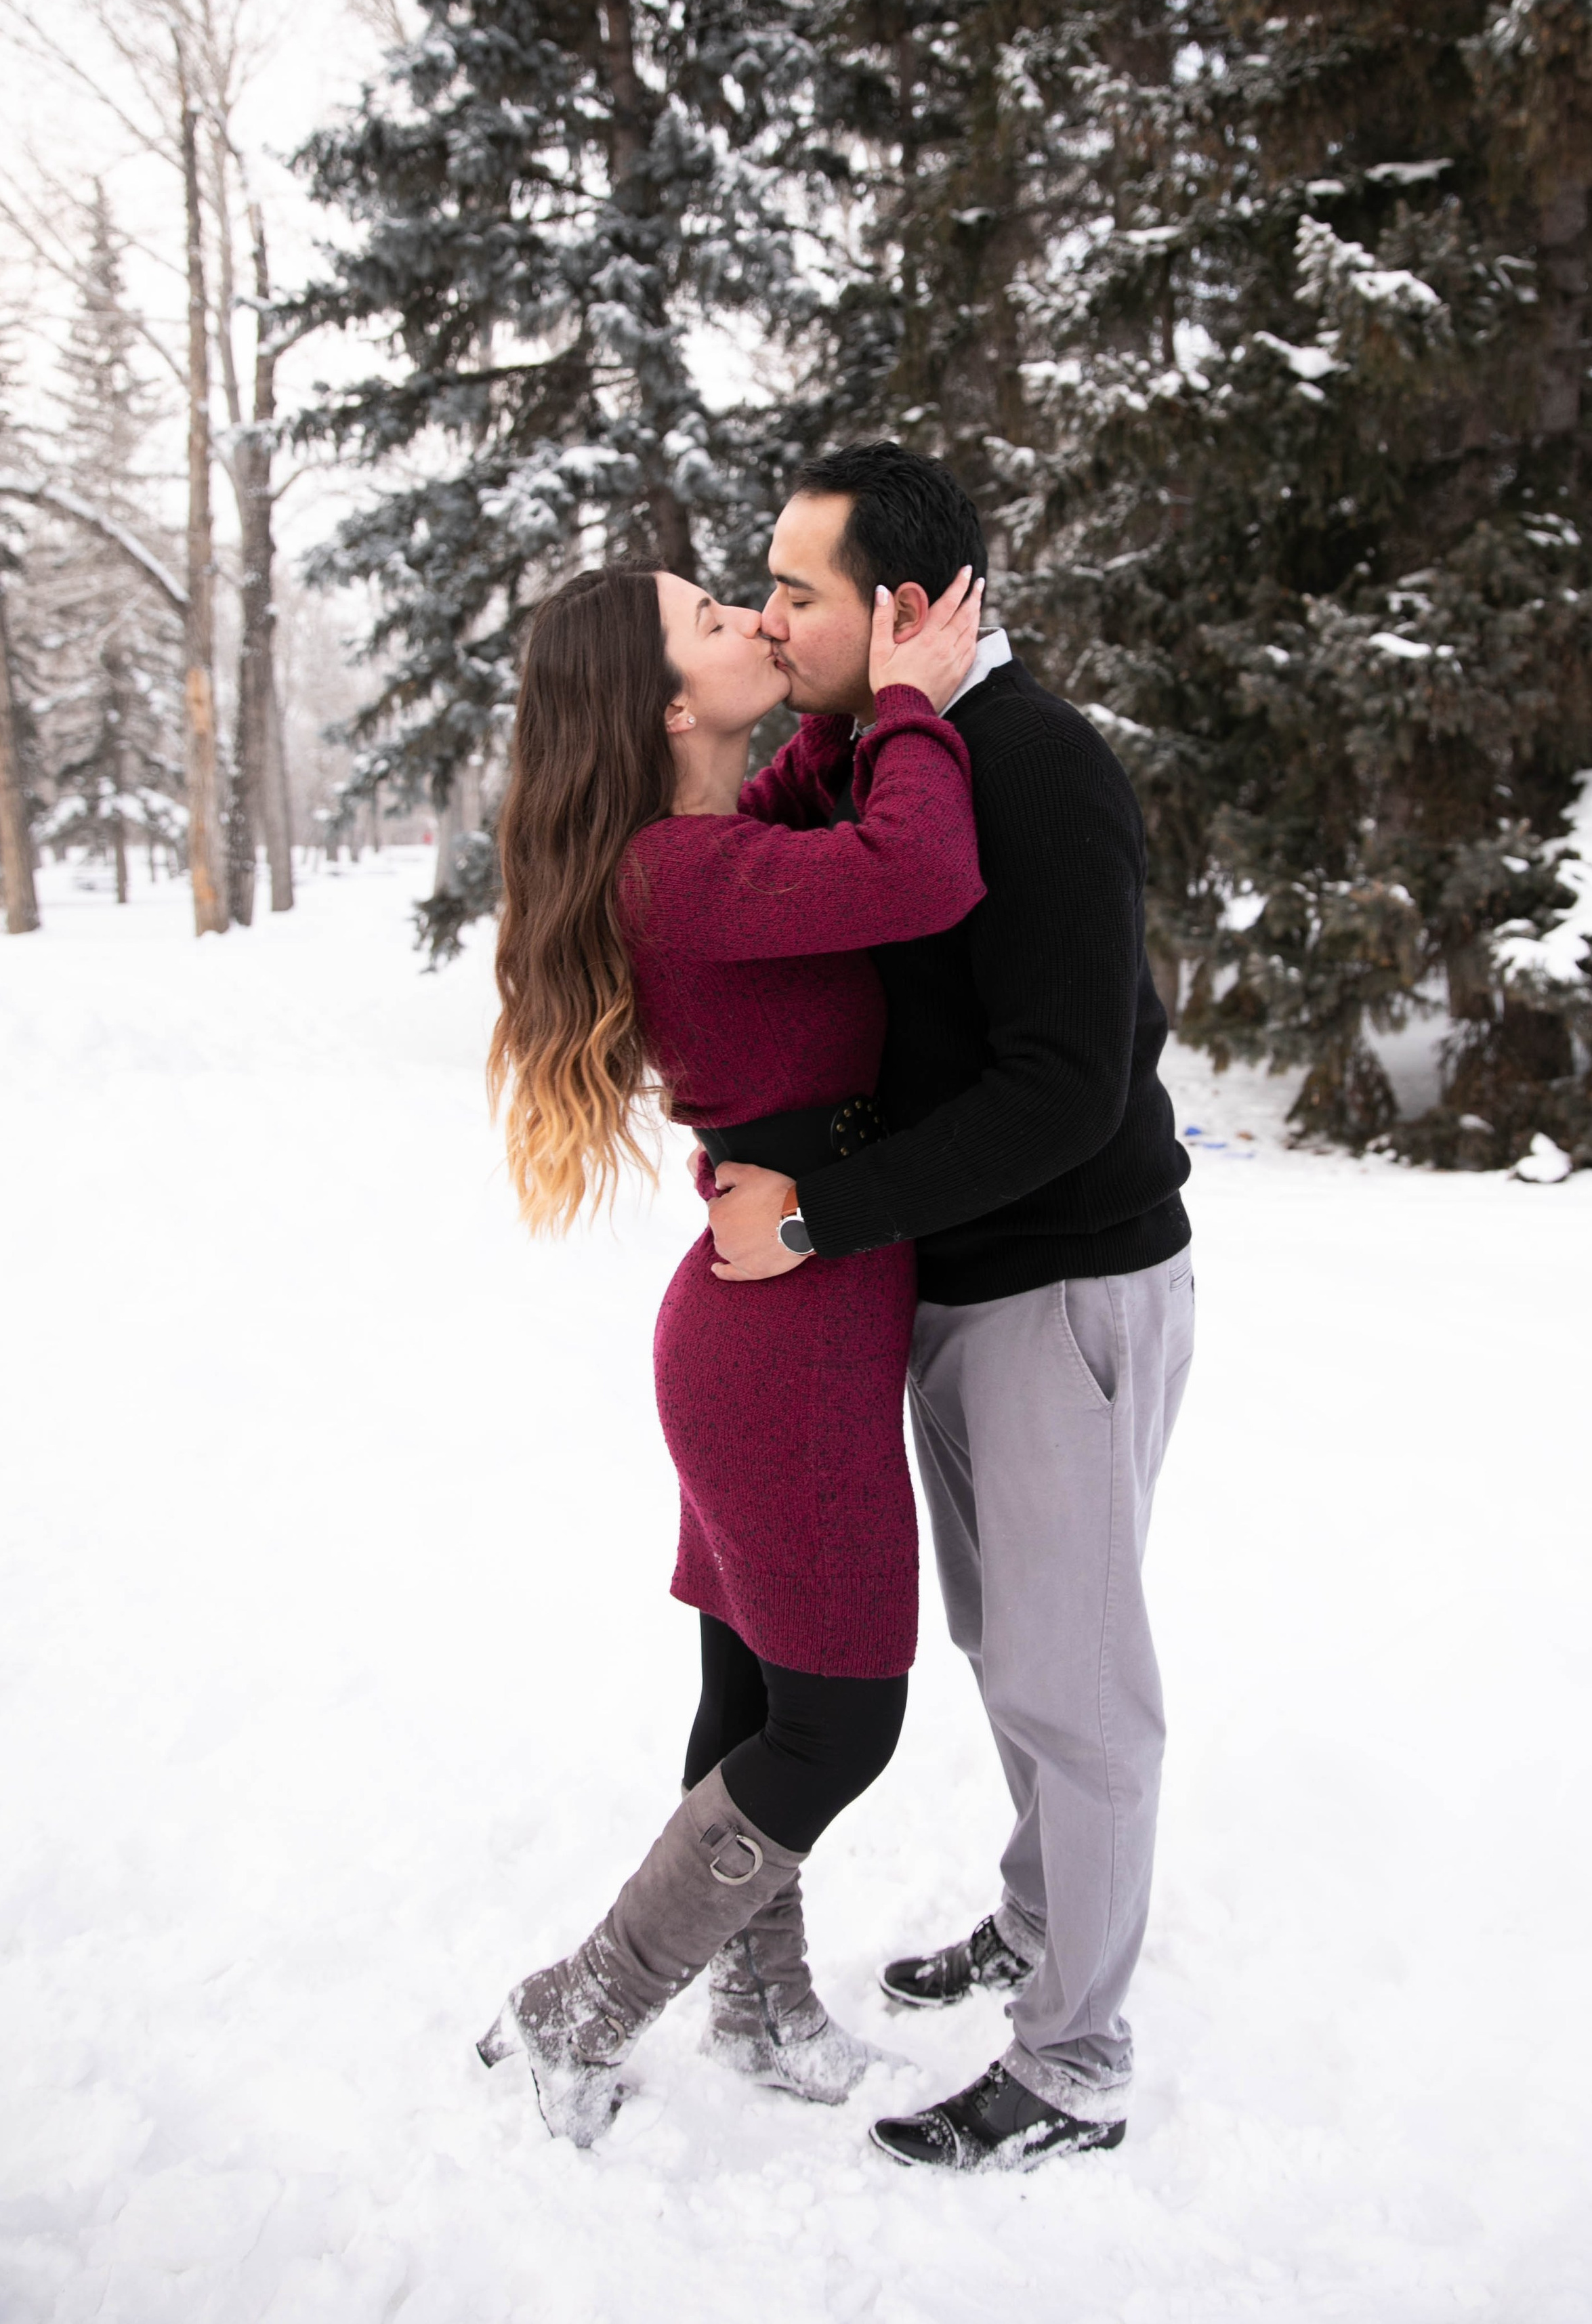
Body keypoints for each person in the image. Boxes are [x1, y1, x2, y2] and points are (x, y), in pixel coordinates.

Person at [707, 442, 1196, 2174]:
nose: (768, 617)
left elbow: (1068, 1084)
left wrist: (829, 1216)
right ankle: (1038, 1914)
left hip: (1062, 1284)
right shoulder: (879, 758)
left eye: (796, 591)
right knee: (1013, 1651)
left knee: (1078, 1682)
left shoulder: (1036, 768)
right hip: (964, 1285)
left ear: (899, 611)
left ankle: (1074, 2062)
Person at [478, 555, 985, 2147]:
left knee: (755, 1685)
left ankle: (760, 2005)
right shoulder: (686, 873)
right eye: (717, 620)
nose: (755, 623)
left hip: (762, 1316)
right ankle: (588, 1998)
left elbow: (813, 792)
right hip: (785, 1345)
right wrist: (912, 697)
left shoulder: (711, 837)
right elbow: (917, 871)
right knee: (839, 1718)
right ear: (668, 705)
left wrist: (856, 682)